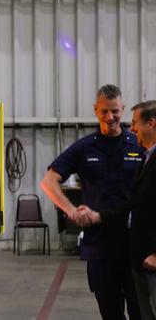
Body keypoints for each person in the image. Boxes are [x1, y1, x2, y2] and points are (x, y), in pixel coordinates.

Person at [40, 85, 143, 320]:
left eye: (115, 111)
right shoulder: (85, 148)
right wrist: (71, 210)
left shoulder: (137, 145)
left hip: (134, 246)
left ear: (123, 109)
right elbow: (48, 181)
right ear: (96, 110)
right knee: (110, 313)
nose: (110, 117)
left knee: (142, 312)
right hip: (100, 248)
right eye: (104, 111)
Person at [77, 100, 156, 319]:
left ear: (151, 124)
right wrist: (97, 216)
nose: (132, 130)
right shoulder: (146, 159)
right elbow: (133, 203)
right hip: (139, 259)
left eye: (135, 123)